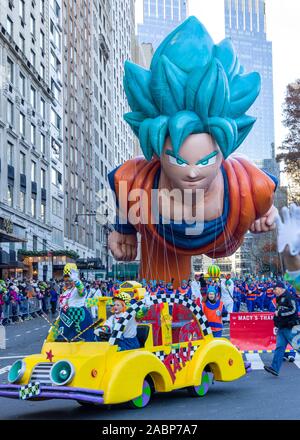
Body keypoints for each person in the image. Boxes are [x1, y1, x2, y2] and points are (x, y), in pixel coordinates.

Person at [264, 204, 300, 376]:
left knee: (297, 347)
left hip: (291, 326)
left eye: (276, 289)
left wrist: (280, 313)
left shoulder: (289, 296)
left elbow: (293, 309)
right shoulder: (283, 295)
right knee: (279, 348)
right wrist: (290, 257)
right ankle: (275, 368)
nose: (274, 291)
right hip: (283, 327)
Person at [52, 264, 94, 342]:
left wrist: (76, 281)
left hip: (78, 318)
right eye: (65, 281)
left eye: (69, 280)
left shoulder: (77, 289)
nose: (67, 282)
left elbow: (82, 292)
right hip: (66, 320)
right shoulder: (65, 291)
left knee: (80, 341)